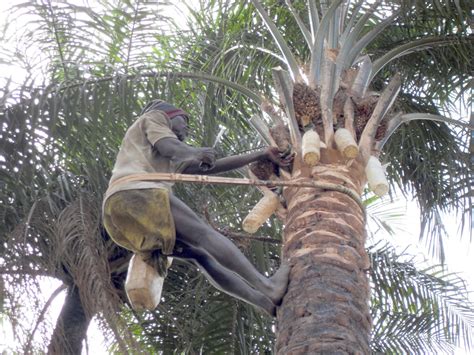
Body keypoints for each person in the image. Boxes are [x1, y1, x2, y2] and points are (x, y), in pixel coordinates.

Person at [103, 99, 293, 316]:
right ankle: (268, 286)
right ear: (170, 116)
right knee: (203, 235)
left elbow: (206, 168)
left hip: (118, 220)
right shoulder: (155, 118)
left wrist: (260, 154)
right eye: (184, 121)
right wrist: (192, 151)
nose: (187, 129)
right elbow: (170, 146)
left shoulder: (157, 154)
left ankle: (264, 302)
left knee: (200, 255)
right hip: (136, 193)